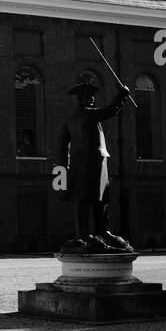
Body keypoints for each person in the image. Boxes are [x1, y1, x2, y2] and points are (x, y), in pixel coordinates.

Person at [55, 74, 132, 251]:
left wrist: (63, 169)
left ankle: (96, 232)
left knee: (98, 198)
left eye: (92, 94)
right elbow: (110, 110)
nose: (91, 98)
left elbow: (61, 146)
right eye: (88, 94)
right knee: (88, 198)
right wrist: (123, 94)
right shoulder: (86, 114)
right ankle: (89, 235)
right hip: (90, 163)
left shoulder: (72, 119)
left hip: (91, 163)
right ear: (79, 97)